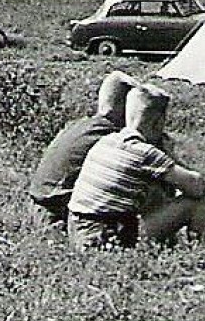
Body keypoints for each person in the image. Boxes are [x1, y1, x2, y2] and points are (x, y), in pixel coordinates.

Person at [67, 85, 205, 250]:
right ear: (158, 123)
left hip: (78, 232)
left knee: (152, 192)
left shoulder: (106, 141)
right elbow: (197, 187)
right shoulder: (144, 153)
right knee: (195, 205)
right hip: (104, 238)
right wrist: (170, 154)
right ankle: (202, 256)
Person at [27, 71, 138, 230]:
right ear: (126, 107)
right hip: (56, 215)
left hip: (38, 206)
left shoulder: (78, 125)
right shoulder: (110, 137)